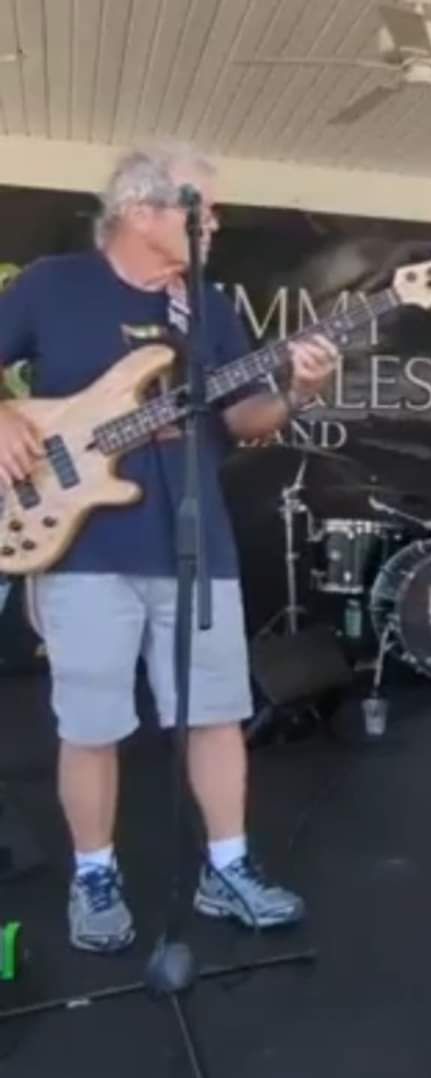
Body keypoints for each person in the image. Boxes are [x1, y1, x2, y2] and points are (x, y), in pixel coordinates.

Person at [0, 142, 338, 952]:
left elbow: (242, 420)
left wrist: (297, 390)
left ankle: (228, 867)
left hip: (197, 543)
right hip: (83, 546)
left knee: (216, 715)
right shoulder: (52, 284)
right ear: (139, 210)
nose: (213, 222)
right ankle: (94, 875)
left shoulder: (208, 307)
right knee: (92, 724)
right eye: (200, 208)